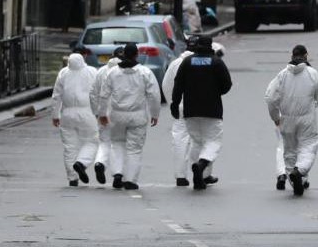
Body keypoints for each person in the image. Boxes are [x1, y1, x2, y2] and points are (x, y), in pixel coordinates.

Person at [92, 42, 160, 191]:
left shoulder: (113, 72)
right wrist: (155, 114)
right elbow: (154, 95)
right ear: (137, 54)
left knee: (117, 144)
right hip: (137, 116)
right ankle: (130, 180)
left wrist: (102, 113)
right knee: (134, 148)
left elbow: (103, 94)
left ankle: (117, 174)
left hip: (117, 115)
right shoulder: (145, 72)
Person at [266, 44, 318, 196]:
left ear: (291, 56)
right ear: (306, 56)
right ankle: (299, 171)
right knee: (308, 147)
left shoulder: (282, 75)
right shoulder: (312, 74)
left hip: (286, 120)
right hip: (306, 120)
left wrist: (275, 117)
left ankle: (293, 178)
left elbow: (270, 98)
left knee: (289, 151)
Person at [170, 35, 233, 191]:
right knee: (213, 141)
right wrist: (216, 91)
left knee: (197, 142)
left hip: (191, 110)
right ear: (210, 45)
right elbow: (227, 84)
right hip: (212, 110)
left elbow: (178, 84)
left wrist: (175, 103)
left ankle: (200, 178)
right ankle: (202, 164)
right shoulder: (216, 62)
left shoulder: (187, 62)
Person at [51, 52, 98, 187]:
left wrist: (55, 115)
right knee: (92, 141)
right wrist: (98, 111)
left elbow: (57, 96)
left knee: (70, 147)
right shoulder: (91, 72)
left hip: (67, 113)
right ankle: (81, 162)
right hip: (87, 112)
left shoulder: (63, 73)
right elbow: (96, 93)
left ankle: (72, 177)